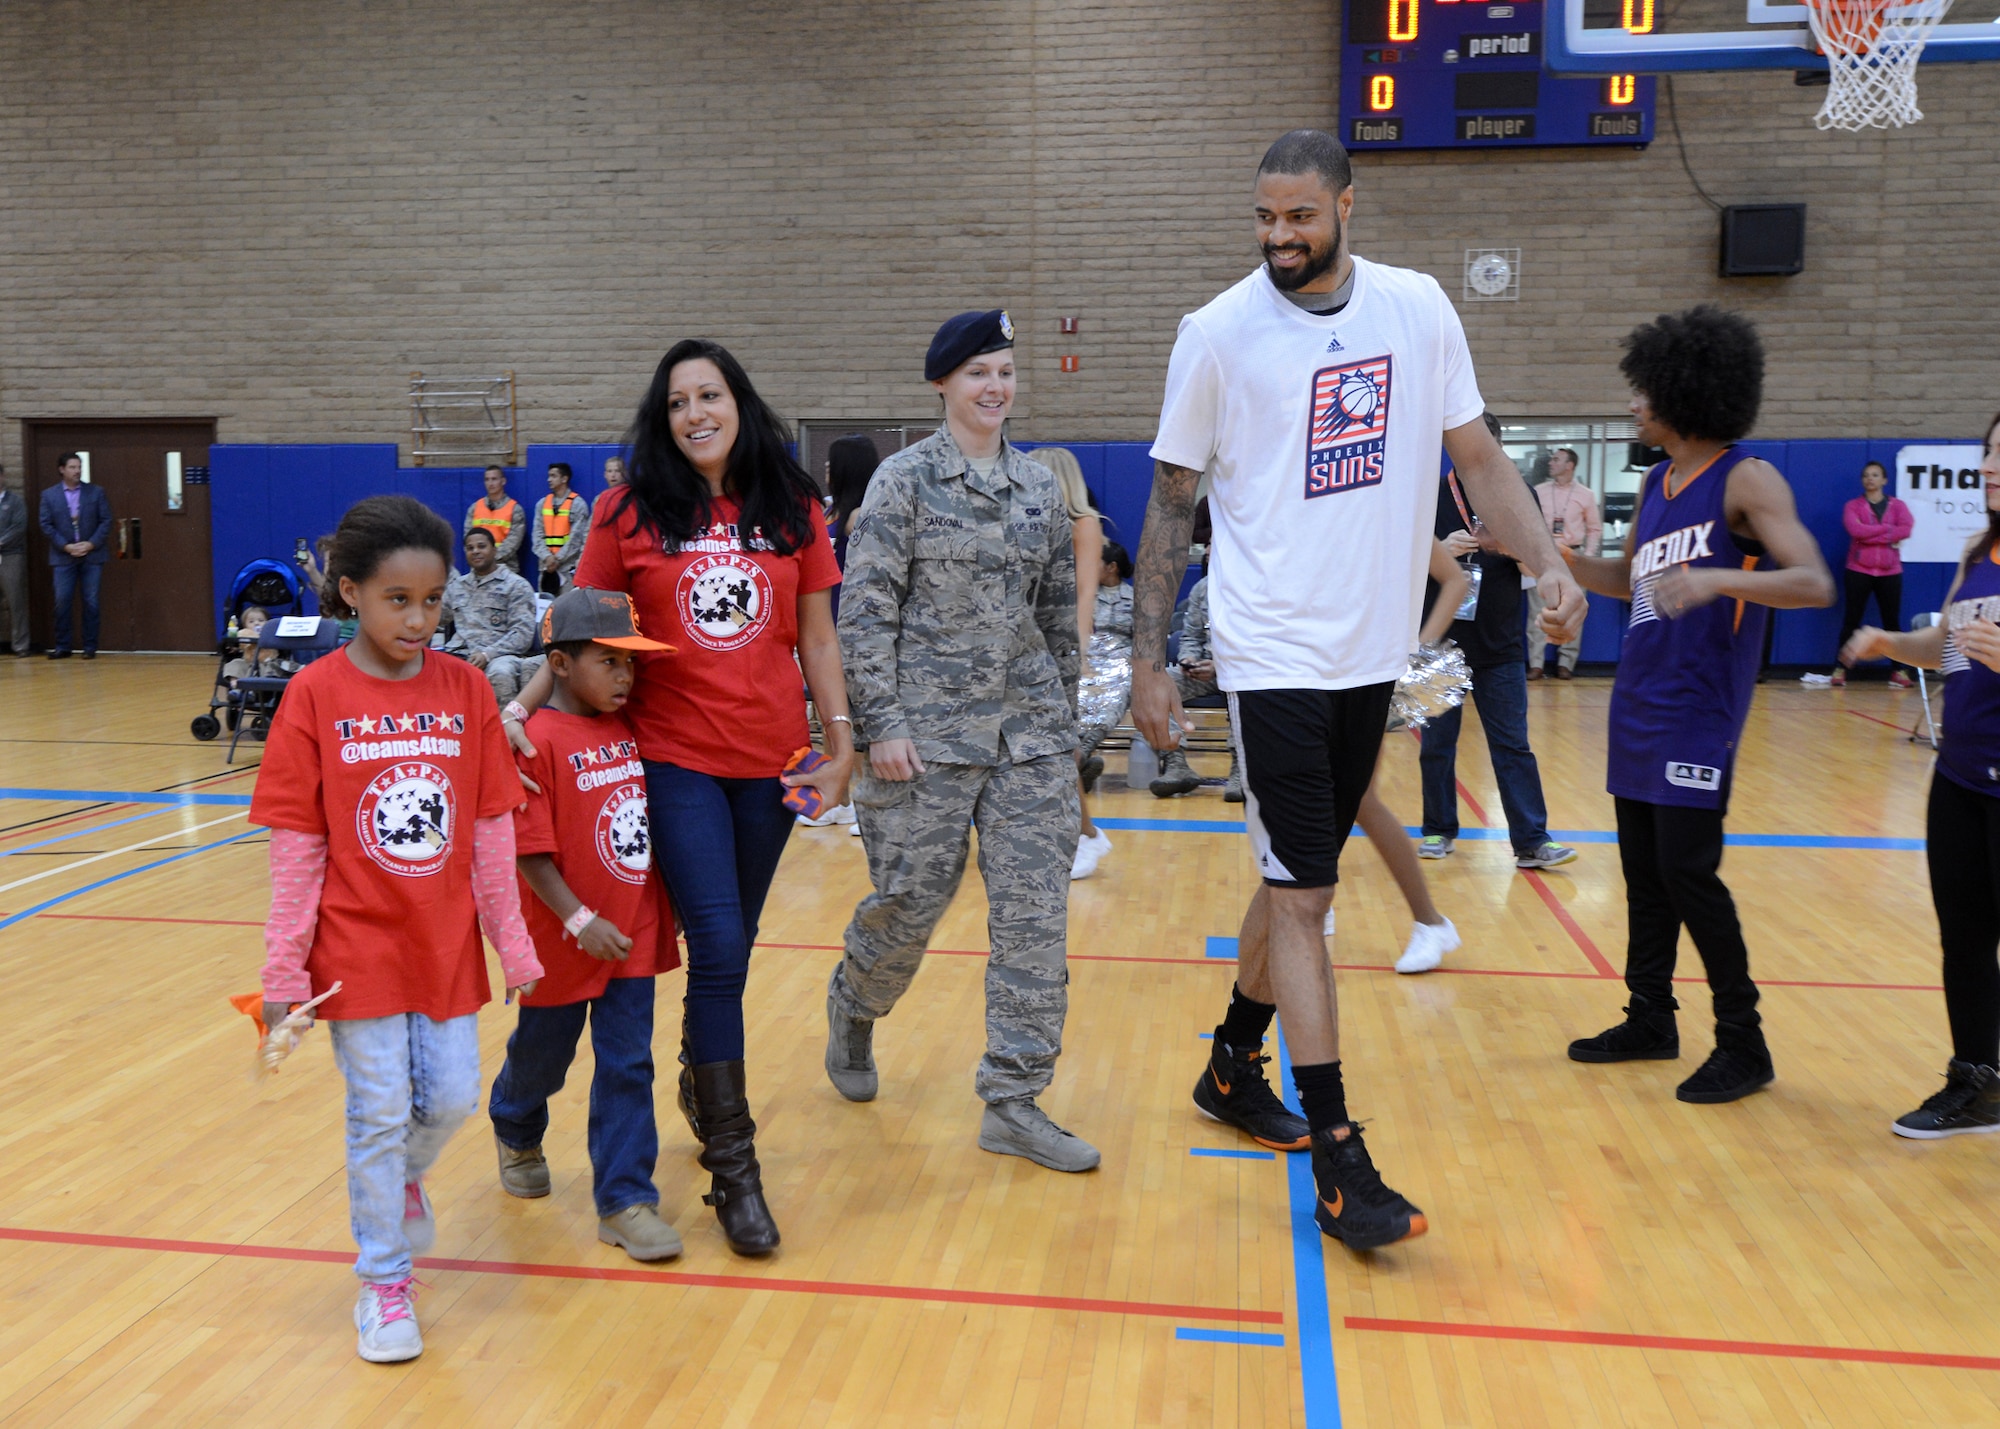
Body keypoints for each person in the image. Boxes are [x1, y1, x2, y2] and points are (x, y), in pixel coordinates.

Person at [1130, 130, 1584, 1251]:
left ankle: (1234, 1060)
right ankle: (1341, 1162)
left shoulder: (1418, 310)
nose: (1278, 238)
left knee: (1304, 865)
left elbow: (1476, 461)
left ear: (1345, 204)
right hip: (1271, 653)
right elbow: (1168, 509)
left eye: (1298, 217)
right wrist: (1147, 661)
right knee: (1304, 898)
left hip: (1368, 655)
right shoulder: (1217, 336)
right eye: (1262, 220)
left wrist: (1549, 563)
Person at [506, 338, 853, 1257]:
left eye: (710, 394)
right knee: (723, 947)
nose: (695, 413)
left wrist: (840, 743)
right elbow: (577, 628)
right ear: (662, 420)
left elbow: (817, 638)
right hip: (673, 756)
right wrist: (522, 706)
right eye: (677, 403)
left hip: (772, 761)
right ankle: (734, 1170)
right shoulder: (625, 510)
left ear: (739, 401)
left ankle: (706, 1082)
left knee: (727, 948)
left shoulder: (792, 504)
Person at [248, 494, 543, 1364]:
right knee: (377, 1110)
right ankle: (382, 1280)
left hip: (444, 938)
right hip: (354, 945)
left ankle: (403, 1178)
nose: (420, 619)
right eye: (397, 600)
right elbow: (298, 853)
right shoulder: (313, 695)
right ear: (349, 594)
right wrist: (283, 973)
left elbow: (492, 831)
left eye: (431, 600)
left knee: (453, 1096)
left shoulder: (464, 691)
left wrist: (514, 941)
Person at [827, 308, 1097, 1173]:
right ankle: (856, 1003)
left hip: (1029, 742)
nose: (995, 388)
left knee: (1034, 920)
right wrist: (884, 726)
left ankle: (1013, 1099)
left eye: (1007, 373)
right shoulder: (901, 485)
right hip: (926, 744)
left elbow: (1057, 619)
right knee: (908, 907)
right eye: (979, 372)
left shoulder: (1041, 489)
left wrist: (1068, 744)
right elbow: (863, 613)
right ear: (943, 382)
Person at [1562, 306, 1834, 1104]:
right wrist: (1557, 561)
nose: (1633, 403)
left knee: (1691, 875)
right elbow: (1627, 580)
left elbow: (1815, 583)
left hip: (1699, 712)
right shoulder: (1654, 482)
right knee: (1646, 877)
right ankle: (1650, 1017)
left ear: (1685, 390)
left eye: (1642, 389)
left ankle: (1743, 1043)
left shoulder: (1746, 478)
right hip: (1638, 703)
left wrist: (1722, 577)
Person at [488, 587, 684, 1261]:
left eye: (631, 663)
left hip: (630, 934)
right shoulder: (533, 742)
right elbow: (531, 852)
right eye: (609, 661)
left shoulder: (629, 728)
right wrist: (578, 920)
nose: (625, 676)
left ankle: (625, 1199)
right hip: (562, 943)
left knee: (629, 1062)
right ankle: (514, 1120)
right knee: (544, 1055)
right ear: (561, 665)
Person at [1844, 421, 2000, 1136]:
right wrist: (1890, 644)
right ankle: (1977, 1081)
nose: (1991, 466)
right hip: (1962, 775)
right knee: (1963, 935)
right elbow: (1947, 645)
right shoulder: (1981, 551)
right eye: (1989, 451)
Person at [1418, 417, 1579, 871]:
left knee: (1512, 746)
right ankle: (1437, 829)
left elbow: (1538, 566)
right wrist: (1440, 550)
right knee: (1436, 746)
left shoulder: (1516, 496)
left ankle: (1532, 840)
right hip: (1443, 643)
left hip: (1501, 644)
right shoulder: (1428, 493)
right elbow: (1399, 561)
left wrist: (1508, 546)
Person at [1071, 539, 1133, 879]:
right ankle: (1082, 831)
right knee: (1065, 752)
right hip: (1084, 665)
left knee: (1070, 753)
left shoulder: (1135, 599)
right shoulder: (1080, 596)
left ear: (1111, 567)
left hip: (1118, 668)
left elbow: (1144, 645)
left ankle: (1086, 834)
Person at [1832, 460, 1915, 688]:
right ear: (1863, 480)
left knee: (1892, 622)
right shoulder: (1853, 506)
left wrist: (1871, 535)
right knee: (1851, 621)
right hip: (1858, 570)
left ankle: (1898, 671)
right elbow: (1855, 531)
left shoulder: (1898, 506)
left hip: (1890, 572)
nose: (1870, 479)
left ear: (1884, 480)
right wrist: (1889, 532)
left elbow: (1906, 528)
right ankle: (1840, 668)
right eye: (1867, 475)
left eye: (1876, 475)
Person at [440, 528, 541, 703]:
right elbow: (435, 618)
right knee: (426, 669)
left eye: (481, 546)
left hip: (499, 655)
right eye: (470, 548)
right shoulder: (458, 586)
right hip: (459, 652)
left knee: (501, 673)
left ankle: (504, 727)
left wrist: (487, 654)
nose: (475, 551)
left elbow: (522, 635)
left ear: (494, 550)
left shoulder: (516, 585)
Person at [1526, 446, 1601, 679]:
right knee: (1537, 610)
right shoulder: (1539, 491)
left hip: (1574, 558)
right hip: (1544, 557)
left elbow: (1595, 528)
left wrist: (1586, 556)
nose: (1551, 463)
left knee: (1574, 608)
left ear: (1570, 465)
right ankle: (1536, 664)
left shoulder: (1586, 494)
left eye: (1556, 460)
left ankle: (1566, 664)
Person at [1152, 558, 1222, 798]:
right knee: (1159, 683)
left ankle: (1239, 773)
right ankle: (1176, 764)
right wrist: (1189, 660)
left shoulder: (1257, 586)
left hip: (1247, 671)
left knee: (1245, 688)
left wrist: (1221, 666)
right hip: (1204, 670)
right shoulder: (1203, 588)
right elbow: (1190, 637)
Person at [37, 452, 111, 659]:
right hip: (63, 557)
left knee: (91, 601)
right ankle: (63, 646)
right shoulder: (49, 495)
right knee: (62, 601)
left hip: (92, 555)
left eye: (79, 467)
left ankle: (90, 647)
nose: (77, 471)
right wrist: (66, 546)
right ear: (62, 469)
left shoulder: (96, 492)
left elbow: (106, 521)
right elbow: (46, 525)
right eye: (72, 467)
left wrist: (91, 543)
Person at [532, 461, 592, 595]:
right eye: (549, 476)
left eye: (553, 476)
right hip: (546, 567)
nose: (549, 479)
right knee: (546, 610)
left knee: (569, 610)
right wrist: (547, 557)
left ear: (564, 479)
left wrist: (557, 559)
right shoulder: (542, 504)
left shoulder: (578, 504)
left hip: (567, 568)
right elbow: (537, 535)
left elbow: (577, 538)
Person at [464, 465, 526, 572]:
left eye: (494, 479)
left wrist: (489, 558)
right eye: (487, 479)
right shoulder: (475, 508)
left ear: (503, 481)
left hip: (506, 568)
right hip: (479, 567)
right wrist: (482, 559)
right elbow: (467, 538)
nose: (490, 483)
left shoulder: (515, 509)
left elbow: (513, 542)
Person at [1, 465, 32, 655]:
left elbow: (19, 527)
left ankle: (21, 645)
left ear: (2, 476)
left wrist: (1, 541)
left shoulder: (15, 502)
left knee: (16, 602)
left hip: (11, 555)